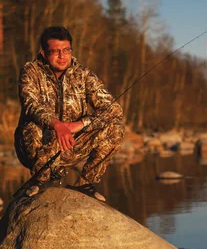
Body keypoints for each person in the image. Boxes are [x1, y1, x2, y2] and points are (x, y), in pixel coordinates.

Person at [14, 26, 125, 201]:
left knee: (116, 128)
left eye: (66, 50)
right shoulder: (30, 71)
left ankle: (84, 183)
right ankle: (40, 180)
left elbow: (113, 108)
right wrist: (55, 124)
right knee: (32, 126)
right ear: (43, 53)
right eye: (56, 51)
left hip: (72, 142)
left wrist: (79, 125)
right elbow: (30, 104)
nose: (62, 56)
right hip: (37, 143)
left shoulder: (83, 74)